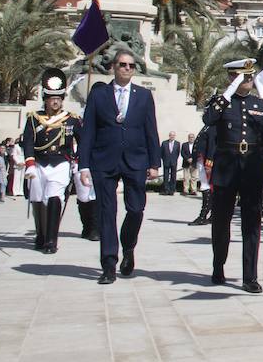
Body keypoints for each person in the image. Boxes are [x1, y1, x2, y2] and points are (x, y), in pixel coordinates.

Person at [78, 47, 160, 284]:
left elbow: (151, 130)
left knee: (136, 209)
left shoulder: (143, 95)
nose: (127, 68)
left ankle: (128, 246)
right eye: (122, 64)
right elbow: (88, 132)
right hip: (104, 160)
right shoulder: (99, 95)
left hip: (136, 160)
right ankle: (109, 265)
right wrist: (84, 166)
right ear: (113, 67)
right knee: (107, 212)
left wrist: (154, 163)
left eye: (131, 65)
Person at [204, 58, 263, 293]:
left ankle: (250, 277)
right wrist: (227, 94)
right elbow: (208, 119)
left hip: (252, 167)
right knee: (221, 221)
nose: (249, 80)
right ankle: (218, 265)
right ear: (232, 78)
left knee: (252, 223)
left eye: (250, 76)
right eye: (243, 77)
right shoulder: (221, 102)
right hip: (226, 167)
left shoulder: (260, 105)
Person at [22, 69, 79, 252]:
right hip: (39, 163)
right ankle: (41, 235)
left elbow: (84, 141)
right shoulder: (34, 119)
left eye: (59, 98)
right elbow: (28, 142)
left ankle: (51, 241)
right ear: (45, 99)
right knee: (38, 199)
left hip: (60, 163)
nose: (55, 101)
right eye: (52, 98)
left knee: (54, 197)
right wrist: (30, 164)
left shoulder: (71, 120)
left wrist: (79, 162)